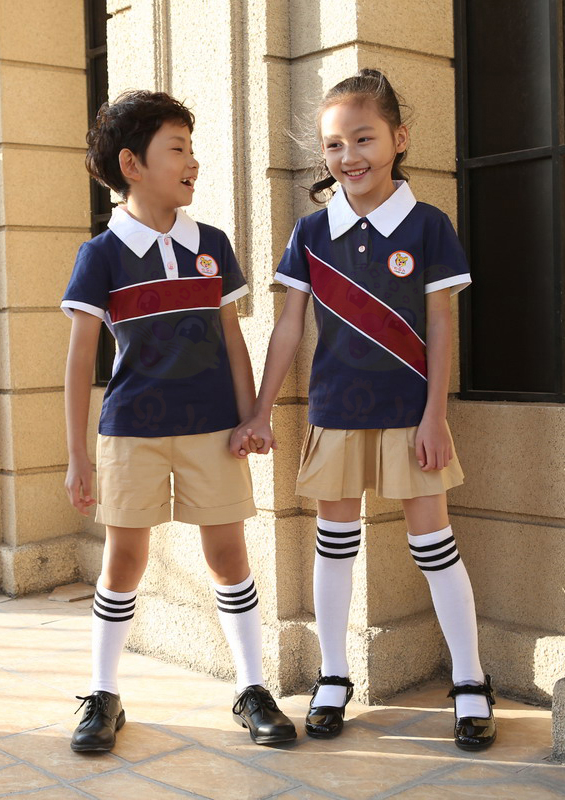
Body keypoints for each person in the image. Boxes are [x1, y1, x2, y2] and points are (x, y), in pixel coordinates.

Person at [231, 69, 496, 751]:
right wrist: (261, 410)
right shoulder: (311, 232)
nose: (348, 156)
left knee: (434, 546)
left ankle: (470, 680)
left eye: (364, 138)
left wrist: (435, 415)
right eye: (334, 144)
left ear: (398, 138)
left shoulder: (429, 226)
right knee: (335, 543)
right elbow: (290, 327)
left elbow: (441, 325)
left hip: (411, 414)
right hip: (335, 411)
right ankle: (334, 677)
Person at [61, 90, 296, 752]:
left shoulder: (212, 245)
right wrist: (78, 456)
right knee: (124, 560)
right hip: (130, 431)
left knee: (229, 557)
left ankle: (252, 688)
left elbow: (232, 340)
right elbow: (80, 361)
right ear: (132, 165)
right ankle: (102, 694)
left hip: (212, 429)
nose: (193, 161)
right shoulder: (101, 254)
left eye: (192, 148)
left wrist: (251, 417)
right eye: (177, 149)